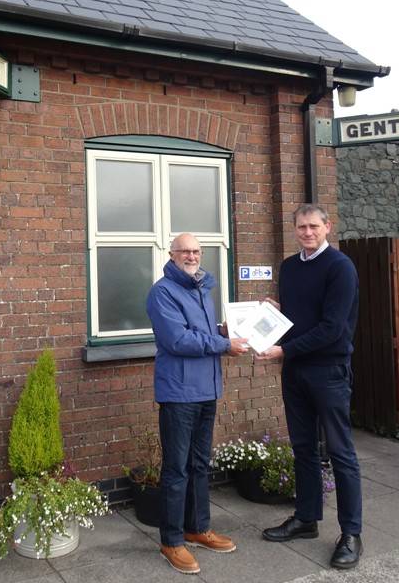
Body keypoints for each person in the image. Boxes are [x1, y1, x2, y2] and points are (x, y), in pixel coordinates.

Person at [257, 204, 362, 569]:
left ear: (327, 226)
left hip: (329, 371)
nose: (307, 232)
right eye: (301, 227)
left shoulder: (340, 267)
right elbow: (299, 317)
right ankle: (305, 519)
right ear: (294, 228)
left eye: (313, 226)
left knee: (340, 452)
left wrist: (283, 348)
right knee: (303, 449)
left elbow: (332, 328)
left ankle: (351, 533)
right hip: (295, 371)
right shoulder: (289, 267)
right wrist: (276, 312)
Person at [146, 233, 249, 575]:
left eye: (195, 251)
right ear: (171, 254)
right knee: (176, 469)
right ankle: (172, 541)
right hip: (178, 393)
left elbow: (206, 332)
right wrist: (222, 344)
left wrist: (240, 326)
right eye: (184, 251)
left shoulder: (203, 288)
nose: (190, 256)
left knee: (200, 464)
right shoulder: (162, 292)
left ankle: (197, 528)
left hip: (206, 389)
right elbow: (178, 339)